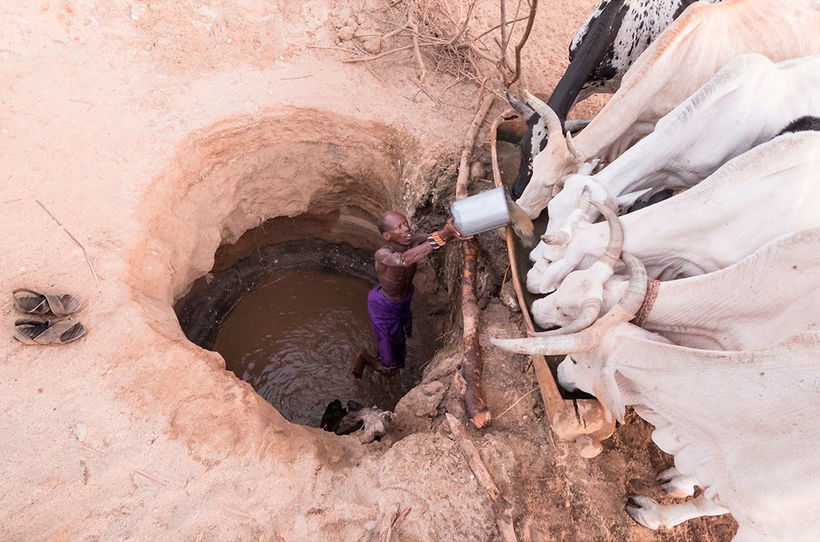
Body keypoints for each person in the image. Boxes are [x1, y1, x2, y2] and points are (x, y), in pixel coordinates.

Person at [352, 211, 464, 377]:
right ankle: (364, 357)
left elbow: (436, 238)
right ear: (387, 236)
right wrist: (443, 236)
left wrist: (454, 232)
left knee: (396, 337)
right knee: (389, 369)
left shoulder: (414, 240)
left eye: (405, 223)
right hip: (384, 306)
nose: (406, 229)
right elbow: (403, 260)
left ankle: (384, 349)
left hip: (402, 299)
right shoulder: (382, 254)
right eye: (399, 227)